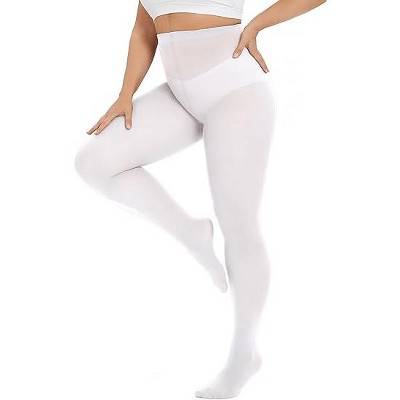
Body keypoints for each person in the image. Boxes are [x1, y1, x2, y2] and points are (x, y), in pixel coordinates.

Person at [74, 0, 327, 397]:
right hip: (179, 94)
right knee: (94, 162)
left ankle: (244, 354)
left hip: (234, 89)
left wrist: (259, 23)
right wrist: (126, 93)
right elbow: (144, 29)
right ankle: (192, 234)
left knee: (239, 224)